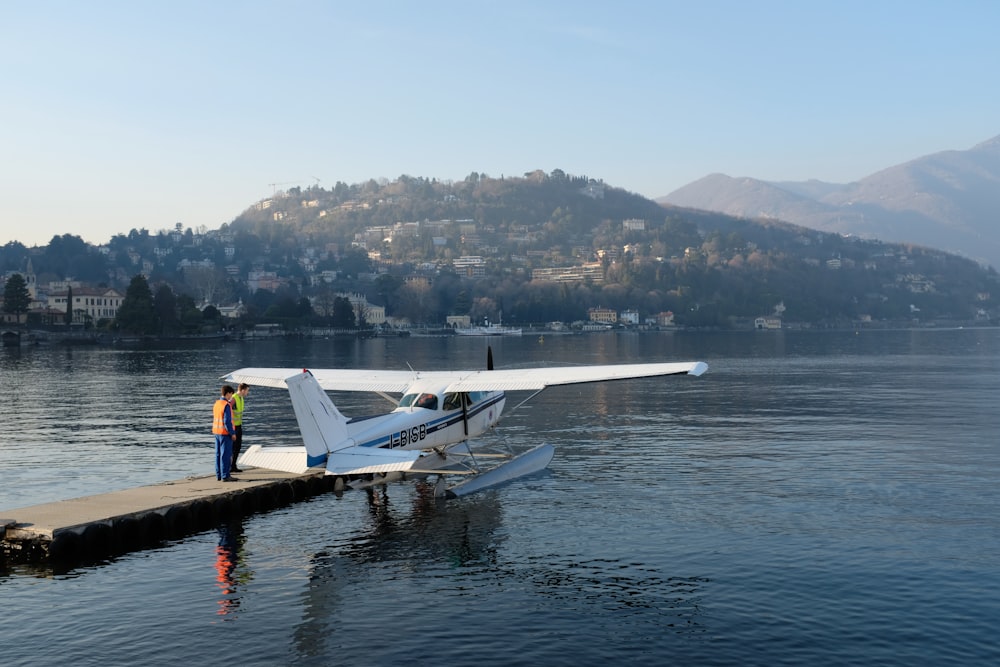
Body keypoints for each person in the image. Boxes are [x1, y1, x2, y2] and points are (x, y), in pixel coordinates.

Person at [213, 385, 238, 482]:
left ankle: (219, 475)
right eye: (231, 394)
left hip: (216, 432)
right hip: (225, 433)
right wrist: (232, 433)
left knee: (218, 454)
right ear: (228, 393)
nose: (231, 397)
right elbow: (227, 421)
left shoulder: (217, 403)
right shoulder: (226, 405)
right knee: (226, 455)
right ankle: (225, 476)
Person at [229, 383, 250, 473]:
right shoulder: (234, 398)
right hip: (234, 426)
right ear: (242, 390)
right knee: (233, 447)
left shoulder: (241, 398)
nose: (247, 393)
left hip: (238, 425)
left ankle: (233, 465)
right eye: (247, 390)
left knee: (237, 447)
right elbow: (227, 409)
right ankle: (230, 466)